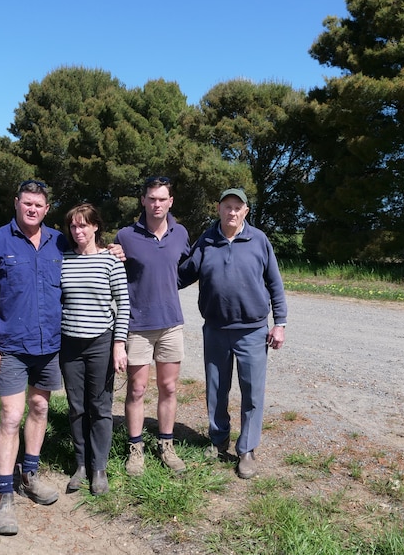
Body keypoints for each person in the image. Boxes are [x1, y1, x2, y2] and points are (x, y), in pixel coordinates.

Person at [0, 179, 65, 536]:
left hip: (49, 345)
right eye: (27, 203)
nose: (32, 210)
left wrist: (113, 250)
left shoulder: (59, 240)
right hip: (10, 346)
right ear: (16, 203)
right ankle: (4, 495)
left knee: (40, 409)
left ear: (46, 208)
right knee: (11, 417)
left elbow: (90, 251)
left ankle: (30, 474)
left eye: (39, 205)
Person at [178, 188, 287, 479]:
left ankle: (247, 449)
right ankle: (218, 439)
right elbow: (184, 274)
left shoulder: (259, 240)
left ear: (246, 211)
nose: (232, 212)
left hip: (252, 331)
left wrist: (280, 323)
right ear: (218, 209)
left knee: (252, 392)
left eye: (237, 207)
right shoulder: (207, 240)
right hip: (215, 329)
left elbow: (275, 283)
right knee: (216, 389)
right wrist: (148, 271)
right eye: (227, 206)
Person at [113, 176, 190, 475]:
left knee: (168, 387)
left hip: (171, 323)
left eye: (162, 199)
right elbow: (111, 269)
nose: (156, 204)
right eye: (151, 198)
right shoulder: (126, 236)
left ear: (171, 201)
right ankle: (136, 448)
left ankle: (166, 445)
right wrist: (112, 253)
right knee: (137, 389)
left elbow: (186, 268)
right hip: (137, 325)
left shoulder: (180, 233)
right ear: (143, 200)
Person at [59, 203, 130, 495]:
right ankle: (81, 464)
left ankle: (99, 467)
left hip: (101, 341)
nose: (78, 232)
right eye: (73, 227)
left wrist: (119, 345)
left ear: (95, 226)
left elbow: (124, 304)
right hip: (69, 343)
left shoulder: (111, 261)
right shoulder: (63, 260)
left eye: (83, 226)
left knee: (100, 406)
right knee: (76, 407)